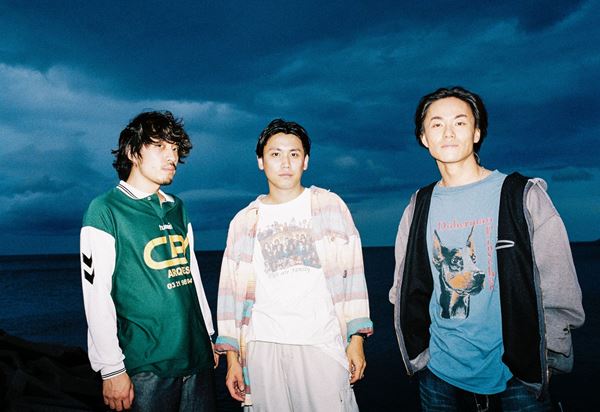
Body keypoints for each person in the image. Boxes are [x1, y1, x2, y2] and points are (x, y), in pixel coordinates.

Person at [390, 86, 585, 411]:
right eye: (437, 124)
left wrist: (547, 358)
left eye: (460, 122)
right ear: (424, 137)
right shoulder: (418, 206)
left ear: (477, 132)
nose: (448, 132)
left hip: (517, 375)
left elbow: (559, 286)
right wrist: (420, 357)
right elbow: (403, 285)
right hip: (438, 373)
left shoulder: (521, 196)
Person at [215, 119, 373, 411]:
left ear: (306, 161)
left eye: (294, 154)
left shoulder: (329, 205)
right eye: (275, 154)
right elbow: (229, 293)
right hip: (262, 347)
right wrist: (232, 359)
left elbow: (353, 275)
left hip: (321, 343)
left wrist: (356, 339)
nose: (285, 163)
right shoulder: (244, 220)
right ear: (261, 161)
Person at [80, 111, 218, 411]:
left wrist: (208, 334)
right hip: (146, 366)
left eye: (175, 149)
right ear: (132, 152)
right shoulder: (105, 210)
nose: (172, 157)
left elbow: (192, 275)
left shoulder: (177, 207)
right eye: (160, 146)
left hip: (197, 357)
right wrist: (111, 369)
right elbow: (96, 295)